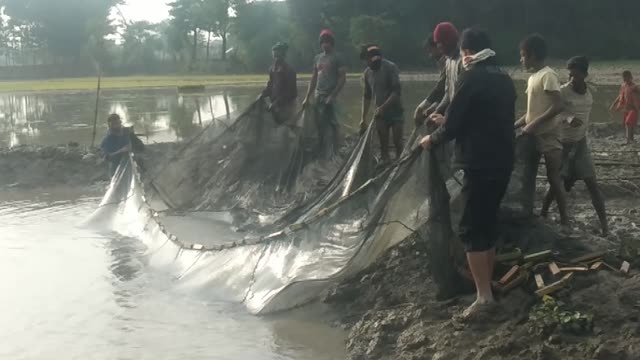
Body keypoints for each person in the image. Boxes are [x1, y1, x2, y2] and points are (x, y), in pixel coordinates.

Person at [419, 28, 516, 320]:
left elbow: (453, 128)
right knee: (487, 223)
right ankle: (488, 286)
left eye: (462, 53)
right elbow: (480, 117)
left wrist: (431, 139)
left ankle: (483, 298)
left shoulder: (470, 77)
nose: (461, 58)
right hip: (503, 161)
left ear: (467, 52)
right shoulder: (504, 77)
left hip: (479, 162)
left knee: (471, 229)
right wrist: (446, 119)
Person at [541, 57, 608, 235]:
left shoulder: (589, 93)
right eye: (570, 75)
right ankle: (543, 214)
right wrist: (568, 118)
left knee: (592, 183)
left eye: (575, 76)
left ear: (585, 75)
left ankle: (605, 227)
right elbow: (554, 111)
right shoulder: (562, 92)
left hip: (580, 144)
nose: (571, 79)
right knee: (556, 184)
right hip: (562, 144)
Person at [515, 34, 570, 228]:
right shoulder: (532, 78)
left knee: (554, 178)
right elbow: (531, 112)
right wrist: (517, 123)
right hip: (532, 133)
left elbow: (558, 106)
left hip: (548, 134)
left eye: (523, 56)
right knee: (527, 174)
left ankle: (565, 220)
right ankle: (533, 212)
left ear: (533, 55)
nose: (521, 60)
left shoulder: (548, 75)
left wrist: (534, 124)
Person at [302, 29, 347, 157]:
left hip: (332, 96)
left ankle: (337, 149)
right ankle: (322, 147)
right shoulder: (317, 58)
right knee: (319, 123)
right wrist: (307, 97)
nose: (324, 44)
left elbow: (343, 78)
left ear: (331, 43)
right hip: (318, 95)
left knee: (334, 123)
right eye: (322, 42)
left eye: (327, 42)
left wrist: (332, 96)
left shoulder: (338, 57)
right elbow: (314, 78)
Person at [359, 44, 404, 163]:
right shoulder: (367, 73)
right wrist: (363, 118)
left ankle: (400, 164)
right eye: (367, 61)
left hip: (395, 111)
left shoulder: (390, 67)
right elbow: (367, 96)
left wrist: (384, 107)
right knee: (383, 145)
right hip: (380, 115)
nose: (368, 63)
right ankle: (386, 163)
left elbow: (396, 92)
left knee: (397, 141)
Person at [429, 22, 463, 125]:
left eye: (439, 43)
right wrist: (437, 110)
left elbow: (462, 97)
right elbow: (448, 93)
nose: (438, 46)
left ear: (447, 42)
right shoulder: (448, 62)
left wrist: (447, 119)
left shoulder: (462, 61)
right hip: (453, 114)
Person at [261, 42, 298, 127]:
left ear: (283, 55)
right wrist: (263, 94)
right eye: (274, 56)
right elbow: (270, 85)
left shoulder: (289, 70)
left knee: (287, 130)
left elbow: (291, 92)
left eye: (278, 56)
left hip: (287, 106)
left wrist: (276, 103)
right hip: (275, 105)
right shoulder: (272, 69)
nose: (276, 59)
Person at [413, 34, 446, 127]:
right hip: (446, 100)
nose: (430, 54)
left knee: (432, 123)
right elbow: (443, 91)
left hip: (454, 103)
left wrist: (421, 107)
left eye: (430, 50)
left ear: (437, 47)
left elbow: (440, 88)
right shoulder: (440, 62)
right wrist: (433, 107)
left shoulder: (447, 61)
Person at [610, 70, 639, 144]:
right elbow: (620, 96)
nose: (625, 80)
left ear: (630, 77)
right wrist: (614, 103)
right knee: (629, 124)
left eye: (626, 78)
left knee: (628, 123)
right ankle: (631, 139)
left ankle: (628, 141)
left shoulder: (634, 87)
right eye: (624, 78)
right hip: (626, 108)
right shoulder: (623, 85)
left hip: (633, 108)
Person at [101, 113, 131, 178]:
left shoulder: (126, 132)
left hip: (128, 162)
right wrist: (121, 150)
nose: (117, 126)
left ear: (120, 122)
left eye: (117, 123)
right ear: (110, 126)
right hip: (115, 166)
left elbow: (140, 146)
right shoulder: (107, 139)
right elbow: (107, 157)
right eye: (114, 124)